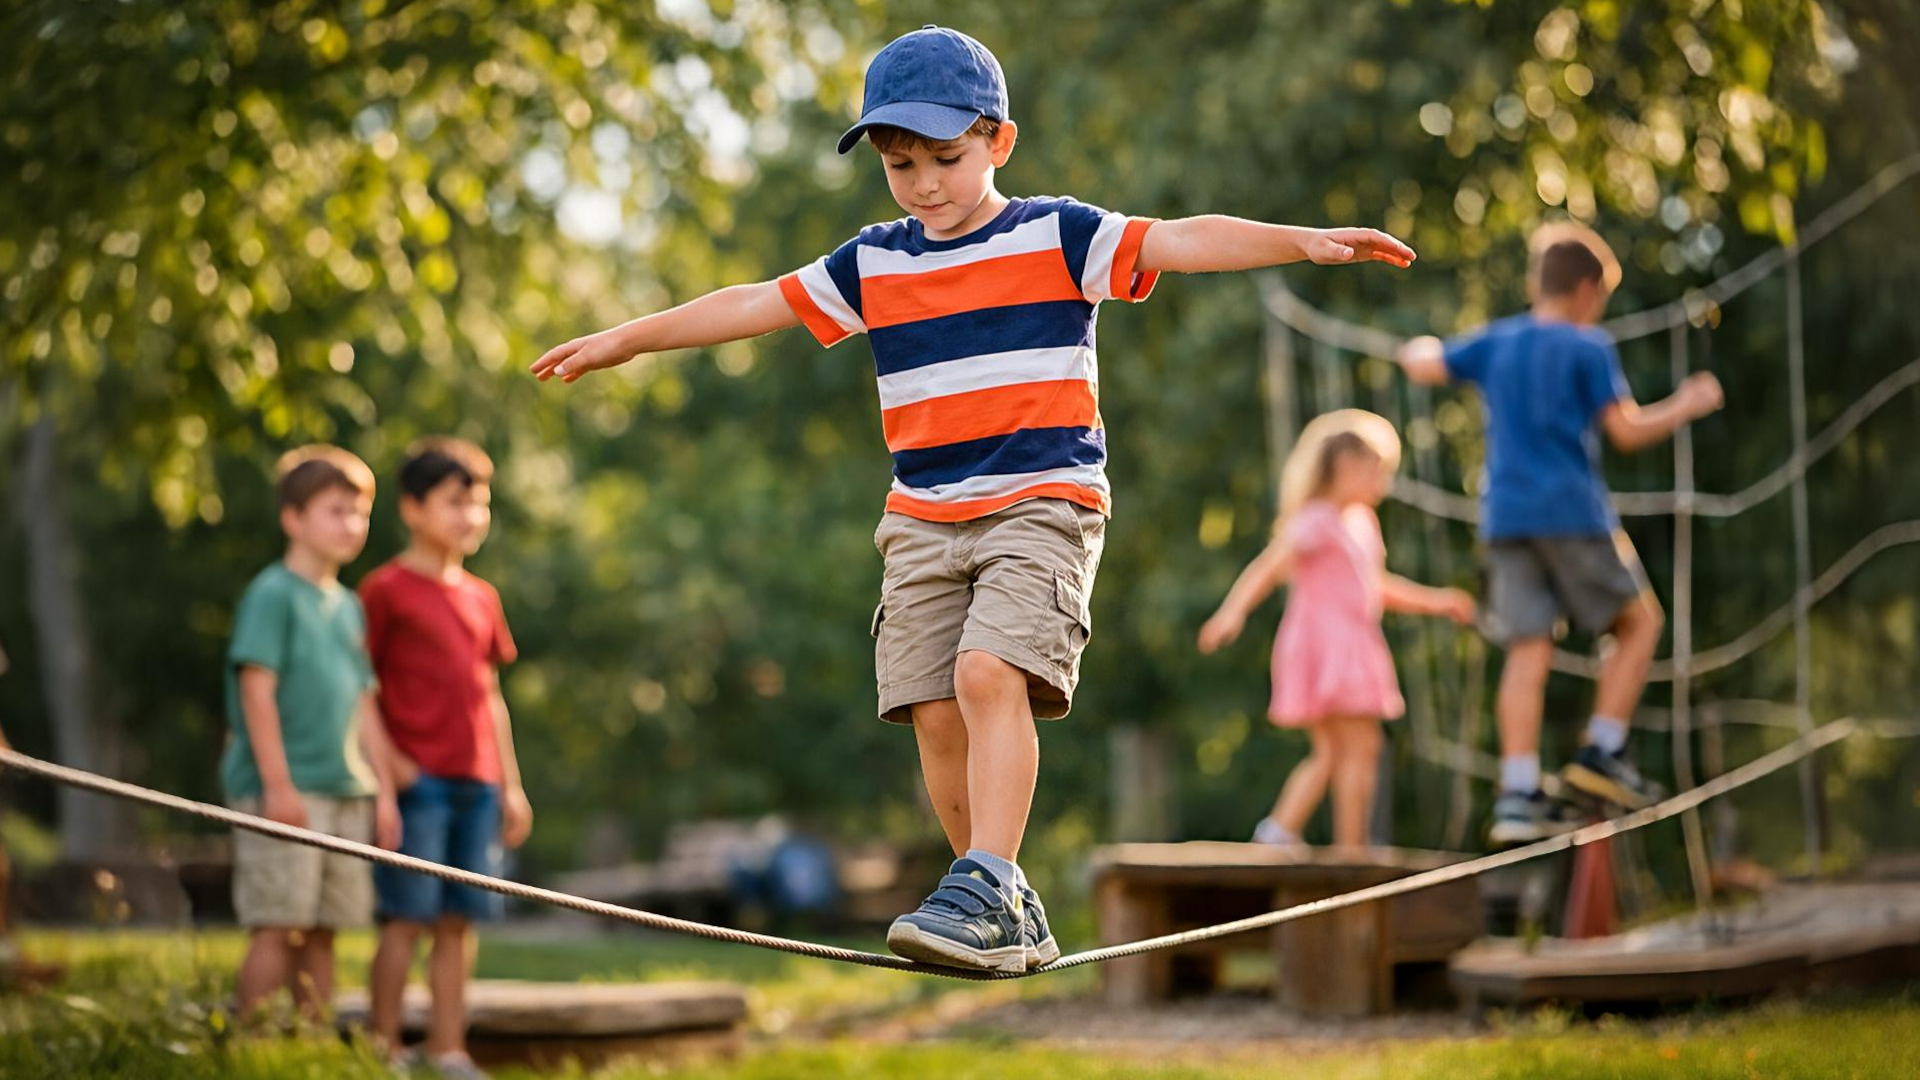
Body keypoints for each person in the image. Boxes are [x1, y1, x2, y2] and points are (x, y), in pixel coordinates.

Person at [528, 26, 1416, 972]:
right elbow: (753, 302)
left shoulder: (1059, 234)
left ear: (1000, 141)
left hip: (1044, 501)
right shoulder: (873, 262)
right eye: (900, 164)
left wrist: (1299, 242)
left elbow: (1181, 238)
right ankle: (995, 900)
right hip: (919, 516)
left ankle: (989, 878)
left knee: (988, 674)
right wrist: (629, 337)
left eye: (945, 158)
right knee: (927, 702)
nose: (922, 183)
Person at [1395, 223, 1724, 845]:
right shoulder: (1586, 347)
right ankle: (1603, 749)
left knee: (1528, 648)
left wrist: (1416, 346)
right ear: (1586, 288)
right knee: (1638, 624)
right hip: (1572, 513)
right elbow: (1625, 433)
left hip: (1505, 520)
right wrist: (1686, 403)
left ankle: (1518, 791)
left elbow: (1422, 363)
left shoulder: (1496, 342)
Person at [1198, 411, 1474, 848]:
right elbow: (1269, 567)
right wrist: (1233, 612)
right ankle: (1351, 848)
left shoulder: (1361, 523)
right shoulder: (1317, 520)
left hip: (1350, 643)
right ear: (1345, 465)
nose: (1382, 486)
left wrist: (1438, 602)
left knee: (1333, 752)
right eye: (1377, 472)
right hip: (1328, 645)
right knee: (1360, 747)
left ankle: (1278, 832)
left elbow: (1376, 586)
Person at [361, 439, 529, 1079]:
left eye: (480, 502)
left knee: (461, 923)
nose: (472, 515)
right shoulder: (386, 591)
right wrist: (392, 770)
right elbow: (362, 689)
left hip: (477, 786)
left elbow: (490, 695)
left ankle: (448, 1048)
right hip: (417, 784)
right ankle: (384, 1047)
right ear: (412, 508)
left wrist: (509, 785)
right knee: (407, 917)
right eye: (455, 502)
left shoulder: (482, 596)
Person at [223, 446, 399, 1021]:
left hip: (346, 790)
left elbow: (364, 704)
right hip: (287, 791)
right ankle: (246, 1045)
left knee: (326, 929)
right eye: (336, 510)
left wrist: (385, 793)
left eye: (360, 512)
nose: (352, 525)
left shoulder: (349, 606)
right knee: (280, 922)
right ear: (293, 518)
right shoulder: (272, 593)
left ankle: (310, 1045)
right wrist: (278, 785)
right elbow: (256, 690)